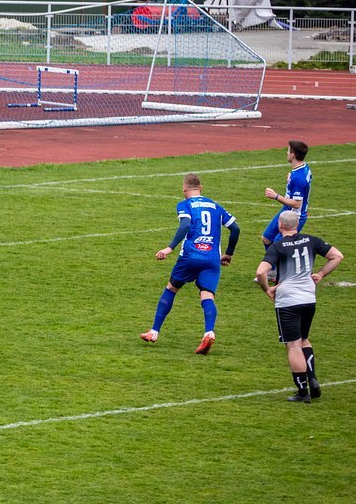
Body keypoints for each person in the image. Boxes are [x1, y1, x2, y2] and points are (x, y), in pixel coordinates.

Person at [140, 173, 240, 354]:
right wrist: (229, 254)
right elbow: (235, 228)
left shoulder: (185, 204)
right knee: (207, 295)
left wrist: (169, 248)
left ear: (184, 188)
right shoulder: (216, 206)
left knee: (171, 289)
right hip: (212, 259)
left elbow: (185, 225)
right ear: (201, 188)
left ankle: (154, 332)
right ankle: (209, 332)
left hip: (190, 256)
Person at [255, 210, 343, 403]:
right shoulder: (311, 240)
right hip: (309, 298)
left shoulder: (278, 246)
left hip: (288, 301)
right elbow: (337, 256)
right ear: (296, 224)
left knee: (293, 346)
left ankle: (303, 393)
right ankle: (312, 377)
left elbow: (261, 272)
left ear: (280, 225)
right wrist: (321, 274)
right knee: (304, 339)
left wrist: (267, 289)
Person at [262, 140, 311, 250]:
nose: (287, 153)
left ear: (293, 155)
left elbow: (297, 204)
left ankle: (277, 260)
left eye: (288, 151)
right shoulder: (304, 168)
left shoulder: (298, 177)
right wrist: (290, 181)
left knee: (279, 247)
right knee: (266, 239)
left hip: (294, 216)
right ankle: (273, 261)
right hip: (286, 211)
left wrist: (276, 196)